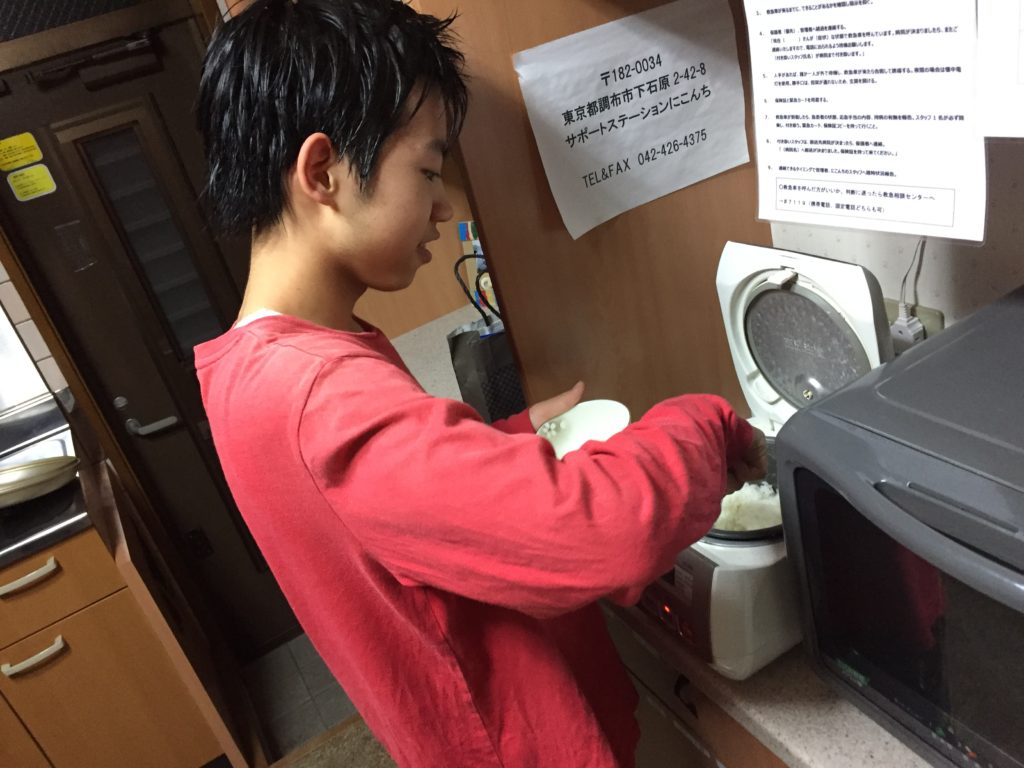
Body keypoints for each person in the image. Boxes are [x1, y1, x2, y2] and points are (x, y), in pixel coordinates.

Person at [193, 1, 765, 766]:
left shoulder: (248, 367)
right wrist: (706, 425)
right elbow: (603, 528)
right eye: (428, 169)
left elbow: (375, 515)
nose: (441, 205)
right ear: (322, 172)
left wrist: (511, 440)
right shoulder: (321, 397)